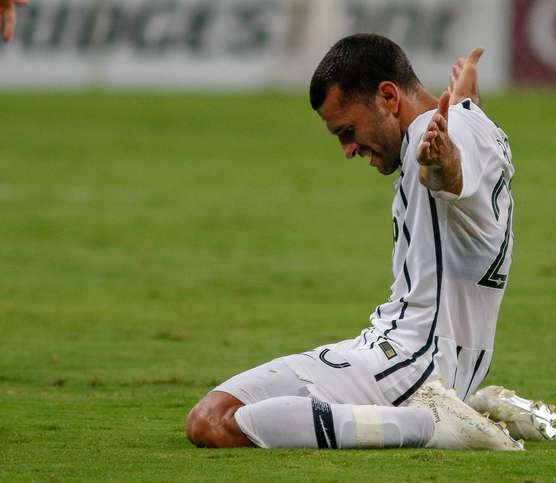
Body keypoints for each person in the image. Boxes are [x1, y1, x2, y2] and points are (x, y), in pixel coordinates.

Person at [185, 34, 524, 451]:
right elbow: (465, 165)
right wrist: (464, 99)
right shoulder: (469, 122)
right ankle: (460, 408)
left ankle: (435, 426)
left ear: (387, 97)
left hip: (410, 363)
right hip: (420, 356)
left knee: (212, 422)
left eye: (347, 131)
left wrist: (441, 163)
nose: (348, 150)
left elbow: (449, 176)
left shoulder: (431, 139)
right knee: (221, 409)